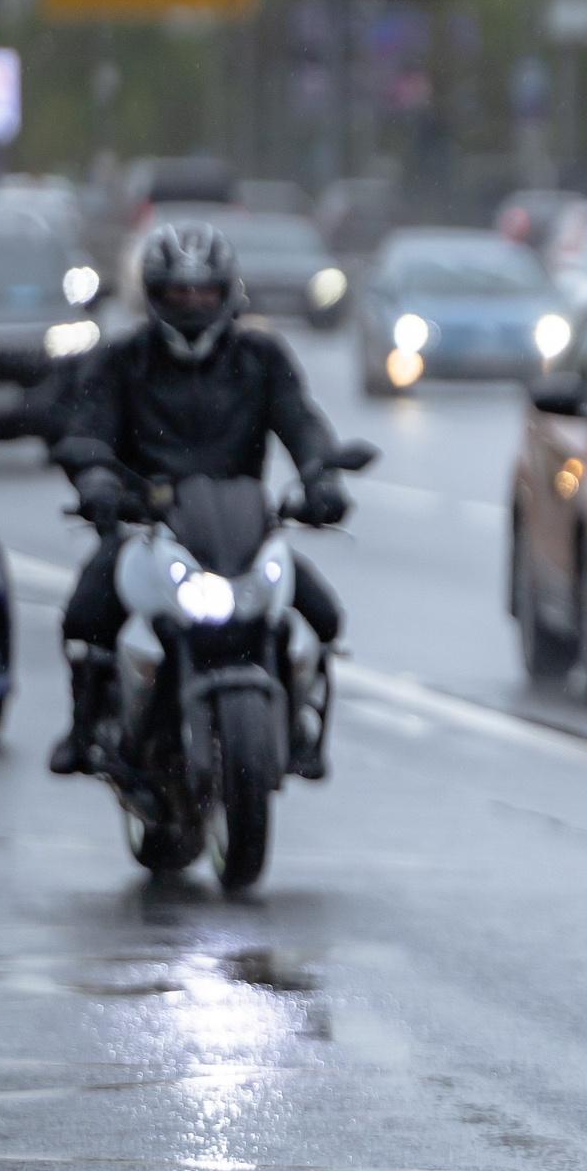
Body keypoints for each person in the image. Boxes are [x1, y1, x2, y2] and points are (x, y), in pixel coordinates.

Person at [47, 221, 352, 778]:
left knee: (325, 615)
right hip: (149, 524)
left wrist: (321, 478)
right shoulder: (121, 359)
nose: (192, 303)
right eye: (178, 292)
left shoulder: (261, 356)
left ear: (226, 293)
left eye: (204, 291)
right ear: (154, 295)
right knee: (85, 615)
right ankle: (86, 723)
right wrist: (96, 481)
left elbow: (302, 422)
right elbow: (87, 430)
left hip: (241, 527)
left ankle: (297, 718)